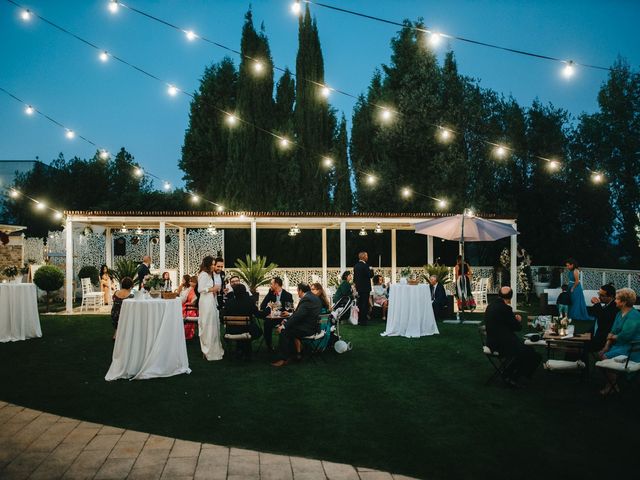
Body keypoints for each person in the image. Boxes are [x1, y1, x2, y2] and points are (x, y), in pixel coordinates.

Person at [485, 286, 541, 387]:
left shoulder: (490, 306)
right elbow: (517, 327)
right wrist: (518, 320)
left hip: (491, 341)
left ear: (499, 295)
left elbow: (502, 324)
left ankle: (508, 373)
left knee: (527, 351)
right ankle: (513, 377)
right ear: (510, 297)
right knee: (533, 354)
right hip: (502, 343)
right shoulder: (506, 308)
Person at [598, 288, 640, 395]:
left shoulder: (634, 315)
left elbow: (625, 336)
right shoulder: (619, 314)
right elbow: (612, 331)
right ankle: (613, 382)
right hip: (619, 345)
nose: (615, 301)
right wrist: (606, 347)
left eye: (617, 299)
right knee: (602, 353)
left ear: (624, 302)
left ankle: (612, 385)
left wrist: (612, 337)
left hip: (632, 348)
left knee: (605, 357)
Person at [271, 283, 322, 367]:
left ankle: (283, 359)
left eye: (297, 291)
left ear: (301, 291)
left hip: (309, 329)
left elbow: (298, 316)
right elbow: (300, 314)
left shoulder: (306, 299)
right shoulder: (314, 297)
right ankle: (293, 354)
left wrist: (284, 325)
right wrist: (287, 321)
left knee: (284, 331)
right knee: (289, 328)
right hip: (314, 326)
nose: (297, 293)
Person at [222, 283, 263, 359]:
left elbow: (222, 318)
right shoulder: (249, 302)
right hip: (247, 331)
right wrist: (268, 309)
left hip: (231, 331)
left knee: (243, 329)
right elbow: (258, 314)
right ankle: (244, 347)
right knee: (258, 331)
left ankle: (240, 348)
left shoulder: (228, 303)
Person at [197, 256, 224, 361]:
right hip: (205, 302)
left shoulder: (208, 274)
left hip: (210, 300)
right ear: (207, 264)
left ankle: (213, 347)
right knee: (207, 324)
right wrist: (213, 289)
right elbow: (200, 289)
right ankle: (207, 349)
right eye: (212, 264)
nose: (214, 266)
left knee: (212, 324)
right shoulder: (203, 274)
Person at [259, 277, 294, 352]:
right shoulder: (271, 292)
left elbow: (290, 310)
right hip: (273, 317)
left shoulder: (288, 295)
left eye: (271, 284)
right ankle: (269, 345)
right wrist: (270, 307)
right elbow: (262, 305)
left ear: (276, 284)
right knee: (267, 323)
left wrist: (280, 313)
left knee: (285, 325)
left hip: (283, 318)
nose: (270, 285)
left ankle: (284, 348)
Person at [588, 284, 618, 353]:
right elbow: (594, 314)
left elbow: (603, 320)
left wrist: (597, 304)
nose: (599, 297)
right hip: (596, 337)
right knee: (575, 344)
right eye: (599, 294)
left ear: (611, 296)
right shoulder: (606, 305)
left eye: (602, 295)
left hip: (604, 340)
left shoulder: (614, 307)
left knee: (578, 346)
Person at [354, 252, 373, 326]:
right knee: (365, 304)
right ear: (364, 257)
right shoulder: (365, 266)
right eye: (367, 256)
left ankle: (358, 319)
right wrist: (371, 269)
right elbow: (370, 275)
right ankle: (363, 321)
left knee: (360, 304)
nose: (367, 257)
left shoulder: (356, 266)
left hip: (359, 288)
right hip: (365, 288)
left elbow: (355, 278)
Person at [181, 275, 199, 340]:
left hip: (193, 308)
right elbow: (184, 298)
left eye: (191, 281)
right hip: (188, 306)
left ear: (195, 283)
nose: (190, 283)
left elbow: (194, 302)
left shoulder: (197, 291)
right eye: (190, 281)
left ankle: (186, 333)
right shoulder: (190, 289)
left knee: (189, 313)